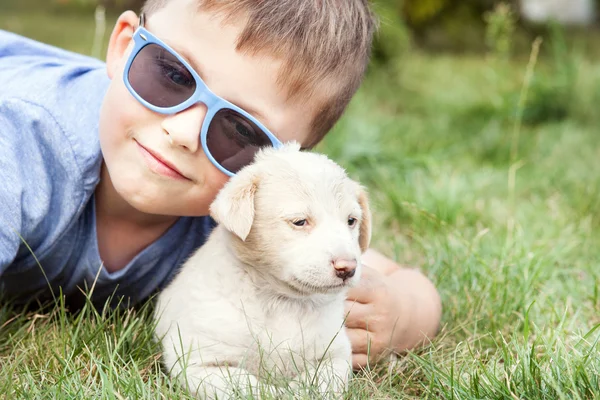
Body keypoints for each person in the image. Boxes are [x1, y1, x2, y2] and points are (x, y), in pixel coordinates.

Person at [0, 0, 441, 369]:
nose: (183, 133)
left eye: (240, 131)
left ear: (288, 160)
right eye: (171, 74)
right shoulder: (22, 142)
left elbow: (407, 284)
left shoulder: (251, 208)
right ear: (123, 47)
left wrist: (398, 315)